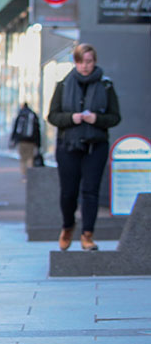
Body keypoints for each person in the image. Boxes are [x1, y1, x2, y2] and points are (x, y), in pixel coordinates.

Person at [47, 43, 121, 252]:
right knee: (69, 193)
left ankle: (87, 235)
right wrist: (72, 118)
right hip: (68, 145)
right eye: (81, 62)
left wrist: (96, 118)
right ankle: (68, 226)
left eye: (88, 61)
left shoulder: (106, 86)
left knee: (90, 191)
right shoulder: (64, 85)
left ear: (94, 61)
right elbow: (52, 116)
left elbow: (115, 117)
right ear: (75, 62)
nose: (85, 66)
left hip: (95, 145)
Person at [9, 103, 41, 181]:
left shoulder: (20, 115)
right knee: (30, 158)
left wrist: (13, 140)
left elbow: (15, 128)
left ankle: (24, 175)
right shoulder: (33, 115)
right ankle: (29, 175)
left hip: (21, 141)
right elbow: (37, 130)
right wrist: (38, 143)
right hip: (31, 141)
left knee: (23, 158)